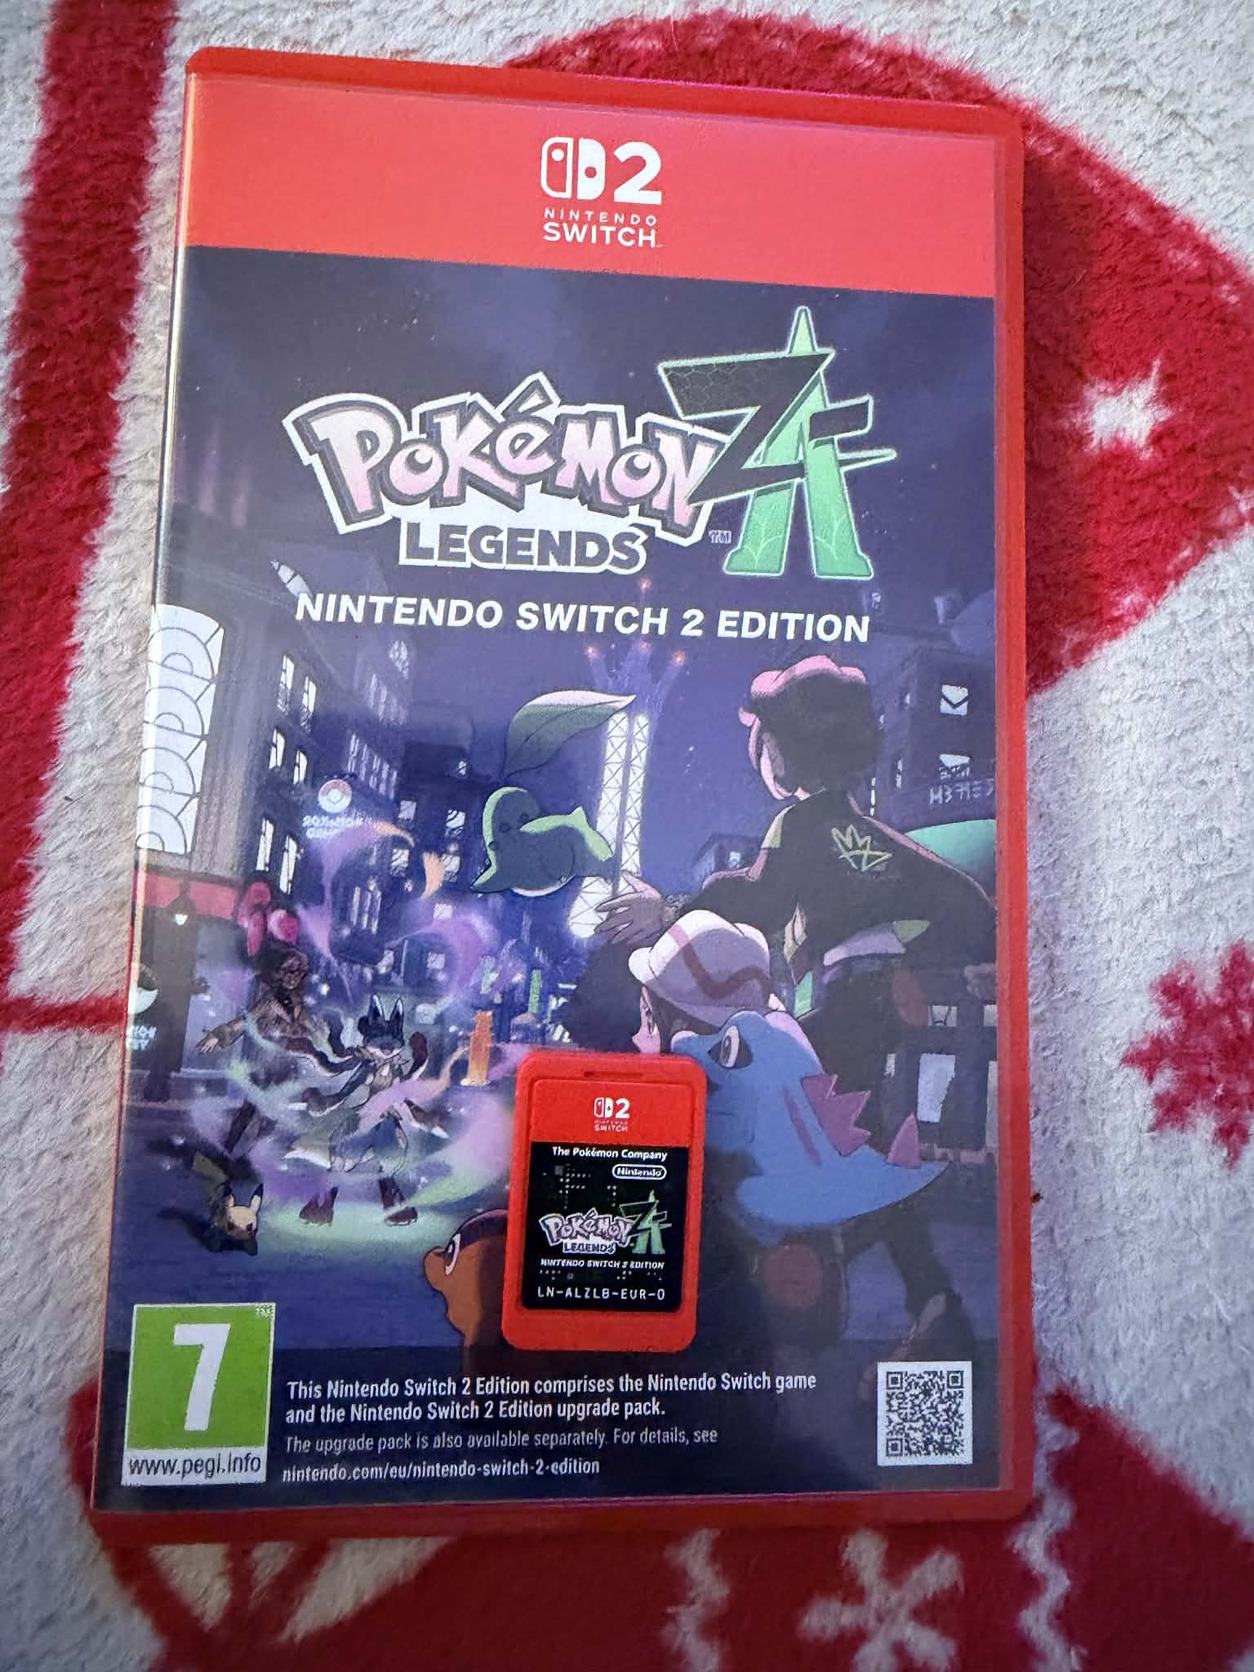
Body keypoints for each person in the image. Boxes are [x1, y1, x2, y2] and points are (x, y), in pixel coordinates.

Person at [600, 657, 991, 1369]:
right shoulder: (873, 837)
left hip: (846, 999)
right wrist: (943, 957)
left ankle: (804, 1263)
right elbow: (964, 897)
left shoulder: (800, 825)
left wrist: (670, 910)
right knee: (850, 1138)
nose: (766, 760)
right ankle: (920, 1295)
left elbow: (757, 896)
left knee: (771, 1103)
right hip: (866, 1001)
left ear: (785, 750)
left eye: (768, 745)